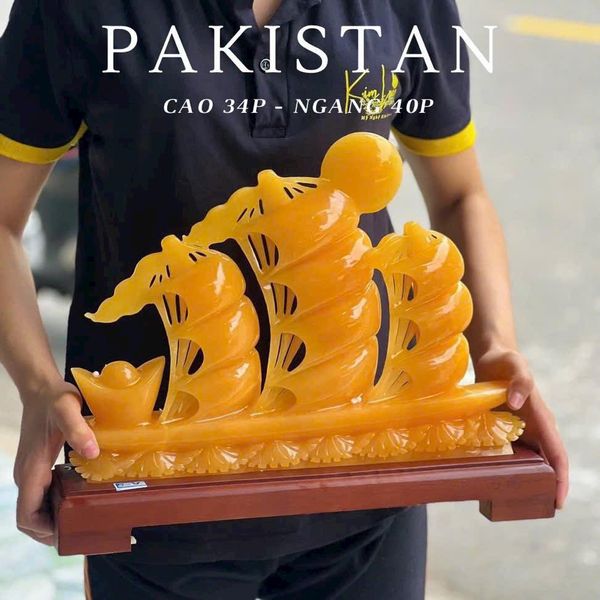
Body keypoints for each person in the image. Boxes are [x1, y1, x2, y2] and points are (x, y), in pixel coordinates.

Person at [0, 1, 568, 598]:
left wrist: (495, 347)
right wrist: (38, 388)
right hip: (155, 497)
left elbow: (459, 195)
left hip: (367, 480)